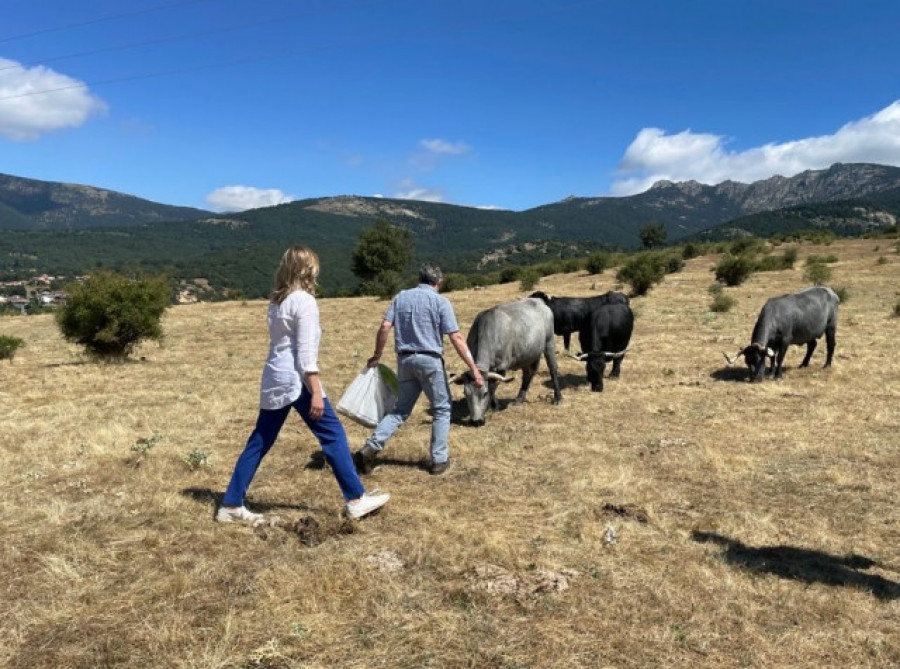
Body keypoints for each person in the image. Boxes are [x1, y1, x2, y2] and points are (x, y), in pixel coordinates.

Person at [217, 245, 389, 524]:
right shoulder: (305, 302)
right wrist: (316, 392)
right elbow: (306, 354)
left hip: (274, 376)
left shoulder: (276, 301)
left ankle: (231, 504)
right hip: (297, 381)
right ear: (309, 270)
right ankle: (356, 498)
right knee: (333, 435)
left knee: (260, 440)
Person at [355, 263, 484, 476]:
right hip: (430, 361)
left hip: (405, 361)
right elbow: (456, 337)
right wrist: (474, 369)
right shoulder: (441, 302)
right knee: (442, 409)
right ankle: (439, 460)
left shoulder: (401, 297)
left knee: (399, 411)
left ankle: (370, 448)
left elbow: (385, 327)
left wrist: (377, 355)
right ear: (439, 282)